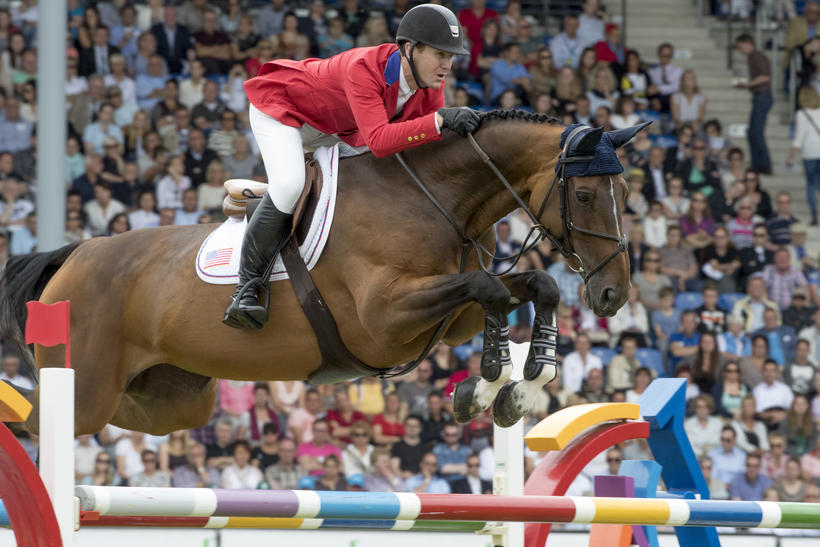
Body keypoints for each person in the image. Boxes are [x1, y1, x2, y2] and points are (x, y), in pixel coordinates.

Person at [224, 4, 479, 330]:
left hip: (338, 131)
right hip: (286, 113)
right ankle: (246, 289)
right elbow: (381, 141)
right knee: (289, 185)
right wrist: (439, 121)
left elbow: (424, 150)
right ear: (409, 49)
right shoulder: (364, 68)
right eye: (440, 55)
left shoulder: (429, 86)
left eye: (451, 57)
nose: (447, 65)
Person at [734, 34, 772, 175]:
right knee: (752, 133)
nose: (739, 50)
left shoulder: (755, 56)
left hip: (762, 96)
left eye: (739, 46)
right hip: (760, 96)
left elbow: (765, 76)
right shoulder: (754, 56)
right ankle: (758, 163)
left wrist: (748, 84)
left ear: (746, 43)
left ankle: (763, 164)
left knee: (756, 132)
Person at [787, 86, 820, 226]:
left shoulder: (801, 114)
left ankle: (814, 215)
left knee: (811, 185)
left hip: (809, 151)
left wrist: (791, 155)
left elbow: (799, 137)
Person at [753, 360, 794, 428]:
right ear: (762, 372)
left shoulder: (785, 389)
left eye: (772, 371)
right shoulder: (757, 390)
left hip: (784, 420)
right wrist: (772, 415)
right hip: (764, 421)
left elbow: (792, 408)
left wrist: (782, 415)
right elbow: (757, 413)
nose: (769, 373)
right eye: (767, 370)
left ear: (776, 372)